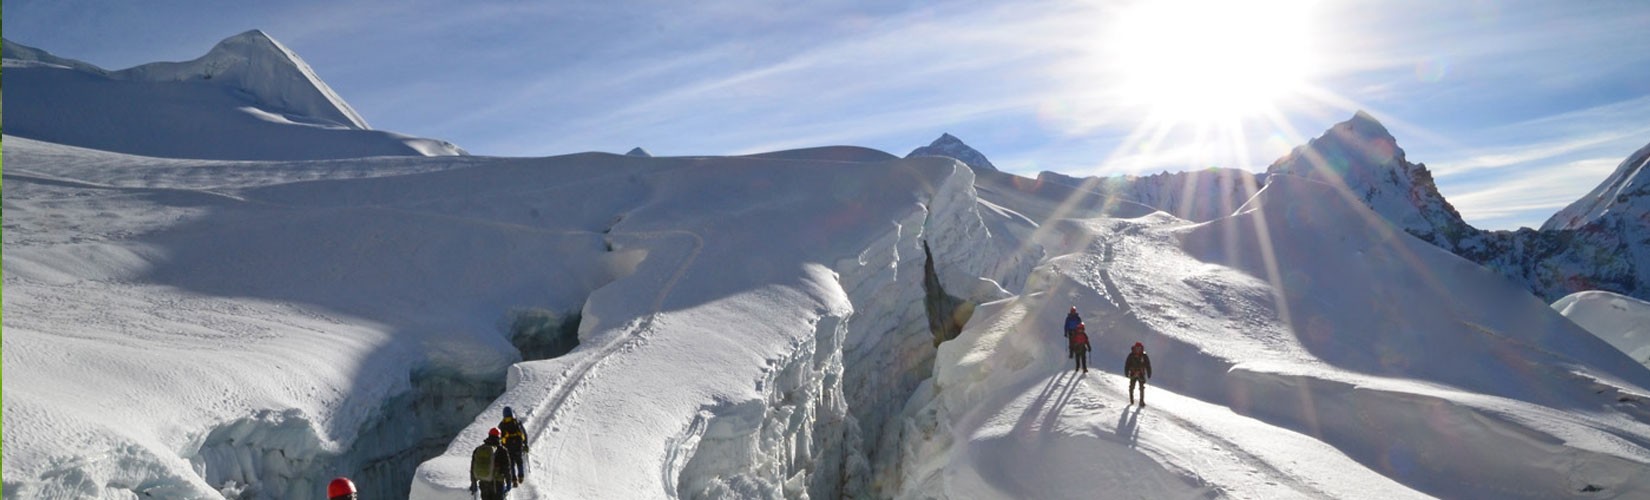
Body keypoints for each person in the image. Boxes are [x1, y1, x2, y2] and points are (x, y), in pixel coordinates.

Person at [470, 428, 518, 500]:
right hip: (497, 484)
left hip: (483, 482)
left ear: (489, 435)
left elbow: (473, 468)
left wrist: (473, 484)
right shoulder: (502, 450)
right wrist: (508, 483)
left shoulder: (479, 449)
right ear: (499, 437)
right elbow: (507, 468)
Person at [497, 406, 529, 481]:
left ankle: (513, 479)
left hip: (507, 446)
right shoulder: (517, 422)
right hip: (518, 444)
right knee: (519, 461)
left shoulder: (502, 424)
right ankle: (521, 476)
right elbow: (524, 433)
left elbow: (500, 437)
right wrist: (525, 444)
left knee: (511, 463)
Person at [1125, 342, 1153, 406]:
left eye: (1139, 348)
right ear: (1134, 348)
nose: (1138, 349)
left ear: (1141, 348)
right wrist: (1126, 372)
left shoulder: (1144, 356)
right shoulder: (1131, 355)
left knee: (1142, 388)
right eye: (1137, 348)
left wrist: (1149, 373)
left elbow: (1148, 365)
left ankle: (1141, 401)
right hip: (1133, 373)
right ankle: (1131, 400)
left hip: (1141, 374)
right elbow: (1127, 364)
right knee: (1131, 387)